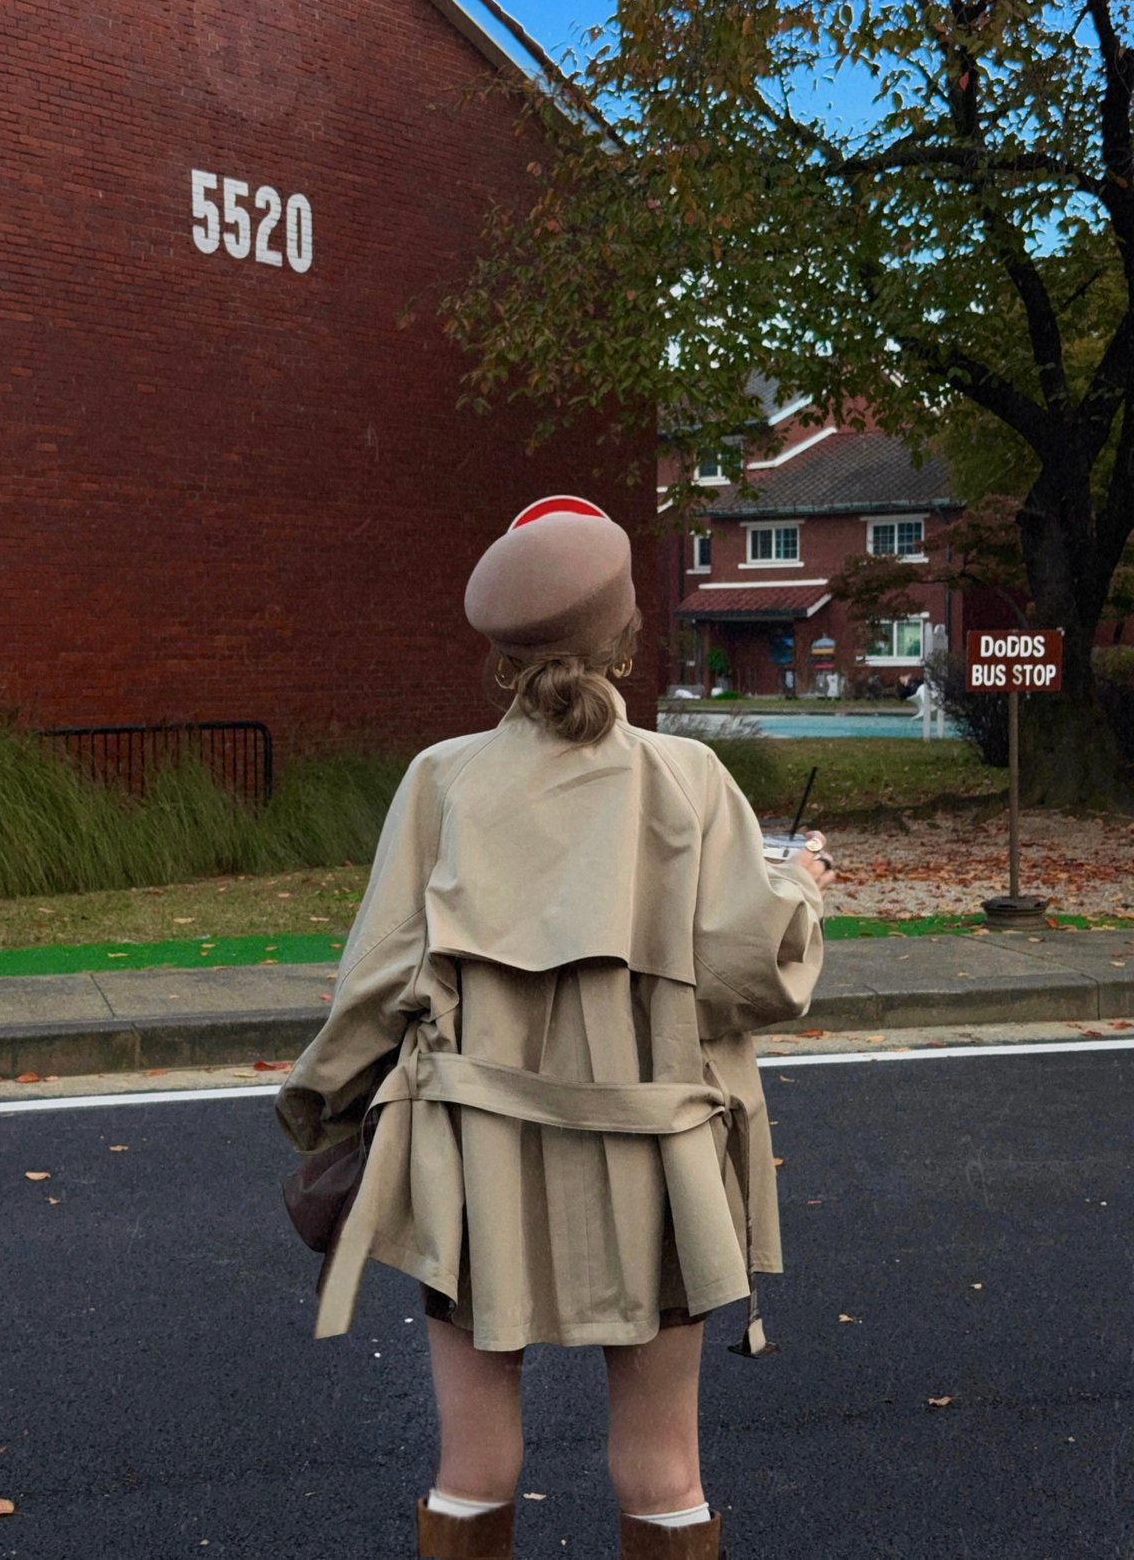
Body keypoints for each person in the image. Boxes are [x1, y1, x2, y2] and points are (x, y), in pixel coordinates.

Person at [275, 502, 834, 1560]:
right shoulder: (689, 778)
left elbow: (377, 980)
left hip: (472, 1159)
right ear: (625, 639)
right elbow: (751, 975)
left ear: (504, 655)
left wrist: (324, 1103)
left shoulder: (442, 778)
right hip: (660, 1159)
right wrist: (800, 885)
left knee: (473, 1464)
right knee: (665, 1468)